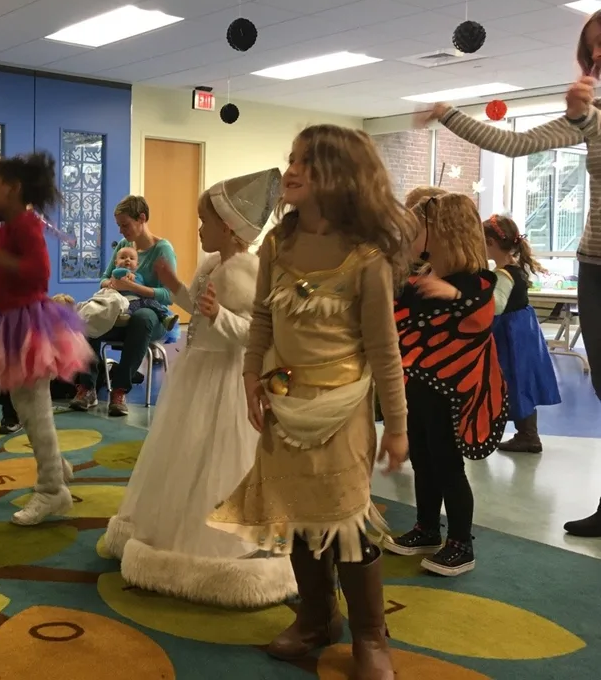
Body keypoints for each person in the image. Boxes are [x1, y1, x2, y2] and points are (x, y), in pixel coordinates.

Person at [207, 125, 411, 679]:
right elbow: (264, 321)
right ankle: (318, 618)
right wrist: (251, 378)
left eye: (305, 163)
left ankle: (372, 635)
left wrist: (396, 425)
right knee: (293, 513)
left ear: (339, 177)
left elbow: (384, 351)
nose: (290, 170)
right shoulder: (278, 242)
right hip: (281, 400)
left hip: (341, 410)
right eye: (290, 158)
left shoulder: (366, 258)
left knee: (345, 517)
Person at [415, 11, 600, 536]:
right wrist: (449, 114)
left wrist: (588, 121)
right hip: (594, 262)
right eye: (591, 49)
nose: (597, 55)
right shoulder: (590, 116)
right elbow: (513, 144)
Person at [103, 169, 297, 608]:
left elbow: (253, 333)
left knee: (215, 457)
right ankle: (167, 527)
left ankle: (216, 546)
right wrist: (175, 287)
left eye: (204, 221)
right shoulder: (213, 264)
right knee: (184, 453)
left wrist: (217, 317)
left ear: (227, 226)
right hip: (197, 371)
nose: (199, 228)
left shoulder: (246, 271)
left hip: (223, 380)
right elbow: (198, 305)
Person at [0, 152, 93, 526]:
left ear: (13, 189)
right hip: (13, 322)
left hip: (31, 324)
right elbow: (0, 272)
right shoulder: (6, 229)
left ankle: (52, 490)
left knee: (34, 408)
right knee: (25, 406)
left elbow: (37, 273)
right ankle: (56, 466)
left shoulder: (26, 225)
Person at [385, 194, 507, 577]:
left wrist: (453, 295)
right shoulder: (422, 278)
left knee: (447, 465)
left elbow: (482, 308)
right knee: (422, 459)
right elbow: (394, 309)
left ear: (442, 231)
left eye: (421, 227)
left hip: (453, 393)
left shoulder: (475, 281)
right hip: (419, 386)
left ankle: (460, 542)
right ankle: (426, 528)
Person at [71, 196, 177, 416]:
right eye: (119, 226)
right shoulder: (123, 245)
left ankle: (119, 390)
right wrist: (111, 283)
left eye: (125, 225)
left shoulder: (162, 249)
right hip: (122, 312)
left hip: (152, 318)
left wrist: (135, 288)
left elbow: (170, 295)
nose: (121, 231)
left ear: (142, 218)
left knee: (144, 317)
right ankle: (87, 387)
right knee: (88, 317)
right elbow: (104, 277)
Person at [483, 215, 560, 454]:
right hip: (522, 329)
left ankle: (520, 435)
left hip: (510, 334)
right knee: (520, 380)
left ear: (491, 243)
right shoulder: (512, 268)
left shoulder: (504, 274)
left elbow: (496, 305)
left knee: (509, 380)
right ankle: (527, 434)